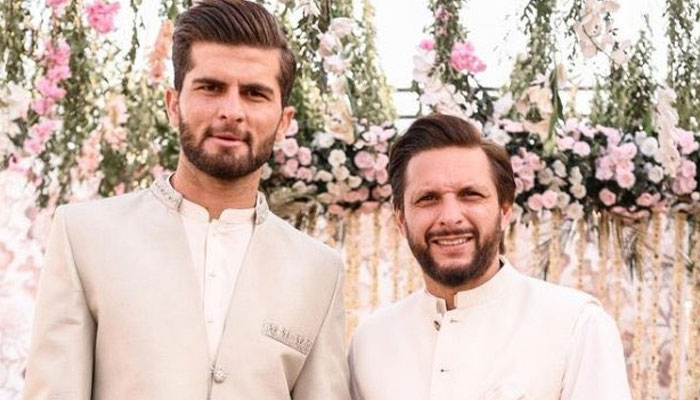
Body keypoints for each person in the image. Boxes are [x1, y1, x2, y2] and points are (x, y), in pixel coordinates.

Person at [23, 1, 350, 399]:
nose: (231, 111)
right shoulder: (85, 237)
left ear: (284, 121)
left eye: (254, 94)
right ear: (173, 103)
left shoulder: (319, 271)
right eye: (211, 87)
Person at [348, 114, 631, 400]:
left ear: (505, 209)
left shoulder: (576, 326)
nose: (450, 217)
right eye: (428, 198)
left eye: (470, 195)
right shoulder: (371, 343)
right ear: (401, 220)